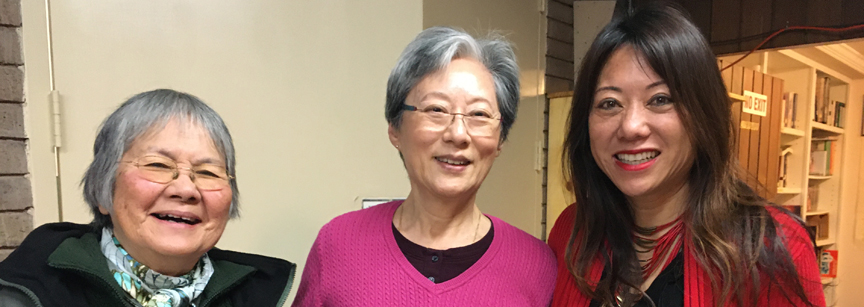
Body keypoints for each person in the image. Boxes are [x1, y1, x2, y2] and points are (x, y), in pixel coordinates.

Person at [547, 3, 825, 307]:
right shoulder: (574, 231)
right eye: (610, 103)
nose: (631, 127)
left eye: (660, 99)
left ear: (704, 114)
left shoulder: (769, 248)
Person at [292, 26, 556, 306]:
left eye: (479, 114)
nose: (458, 134)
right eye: (436, 110)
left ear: (501, 138)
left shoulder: (537, 265)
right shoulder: (337, 244)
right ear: (395, 128)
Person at [0, 89, 296, 307]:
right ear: (105, 188)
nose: (186, 189)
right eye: (158, 165)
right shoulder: (28, 292)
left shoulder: (261, 294)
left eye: (207, 172)